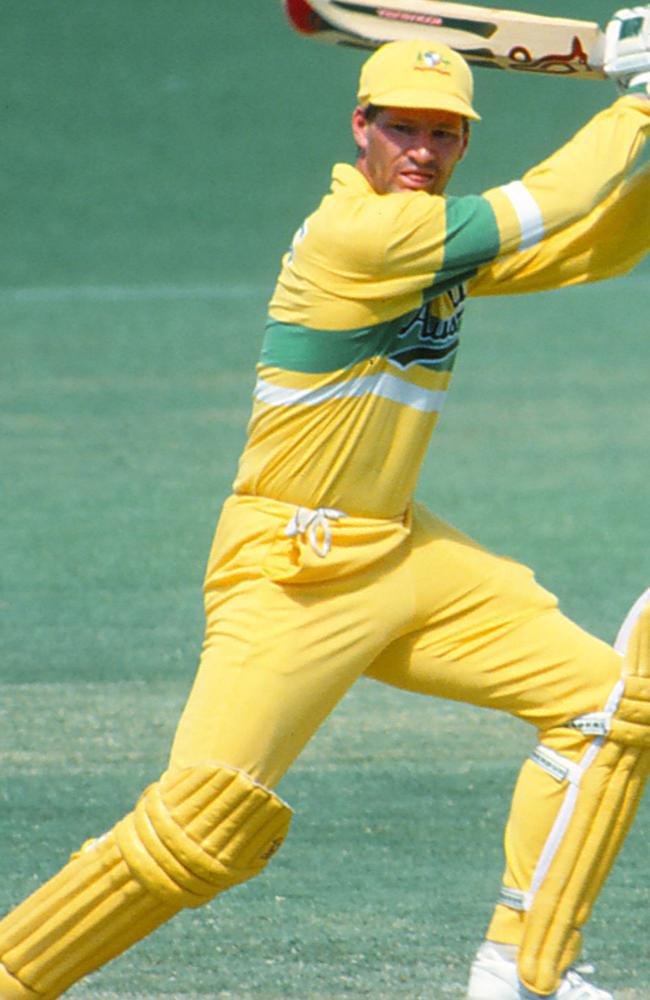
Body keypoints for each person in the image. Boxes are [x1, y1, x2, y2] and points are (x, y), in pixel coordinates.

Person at [2, 10, 650, 1000]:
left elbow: (592, 250)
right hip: (288, 567)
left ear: (461, 139)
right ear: (360, 128)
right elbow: (540, 203)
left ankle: (520, 976)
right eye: (401, 128)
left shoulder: (430, 242)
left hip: (396, 552)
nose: (420, 149)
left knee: (611, 707)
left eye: (441, 133)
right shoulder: (361, 233)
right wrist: (636, 106)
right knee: (200, 824)